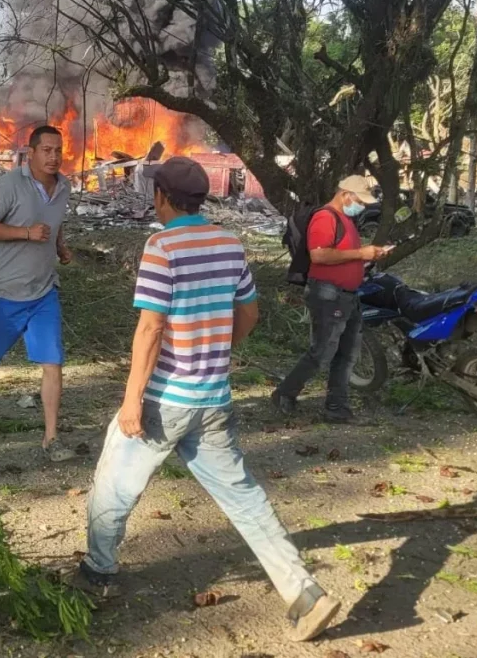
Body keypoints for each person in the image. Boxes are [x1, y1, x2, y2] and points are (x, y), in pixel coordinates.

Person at [78, 156, 342, 642]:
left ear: (160, 196)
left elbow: (151, 327)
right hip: (213, 397)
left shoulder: (161, 246)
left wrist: (132, 400)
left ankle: (97, 575)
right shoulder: (229, 242)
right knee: (243, 498)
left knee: (114, 483)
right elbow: (250, 314)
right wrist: (216, 350)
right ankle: (305, 593)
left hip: (167, 399)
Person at [0, 125, 75, 463]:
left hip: (44, 291)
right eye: (46, 150)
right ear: (30, 152)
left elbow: (56, 222)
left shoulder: (64, 187)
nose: (53, 156)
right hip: (6, 291)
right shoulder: (10, 184)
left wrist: (60, 246)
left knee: (53, 362)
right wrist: (26, 233)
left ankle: (52, 439)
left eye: (57, 150)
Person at [272, 177, 389, 423]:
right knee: (322, 352)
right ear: (346, 195)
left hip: (347, 295)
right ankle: (285, 392)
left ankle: (337, 407)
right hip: (329, 294)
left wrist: (368, 255)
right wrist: (361, 253)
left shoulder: (346, 219)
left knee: (347, 354)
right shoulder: (326, 218)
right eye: (360, 200)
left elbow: (342, 255)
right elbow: (319, 254)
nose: (362, 206)